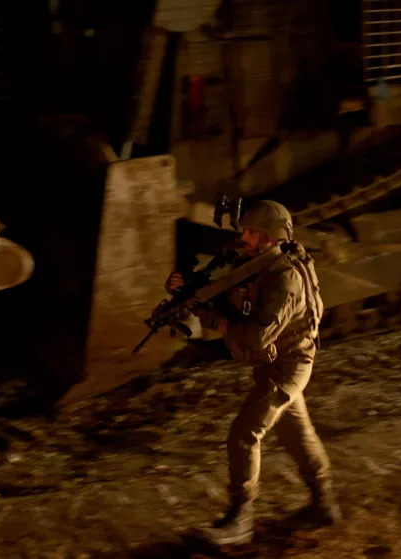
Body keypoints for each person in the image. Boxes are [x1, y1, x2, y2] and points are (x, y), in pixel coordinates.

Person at [166, 200, 341, 546]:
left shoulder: (286, 276)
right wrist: (188, 289)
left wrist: (216, 319)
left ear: (269, 237)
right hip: (273, 363)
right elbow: (228, 288)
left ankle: (240, 518)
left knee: (244, 433)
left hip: (290, 365)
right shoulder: (260, 261)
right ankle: (324, 504)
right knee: (297, 434)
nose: (243, 237)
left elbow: (257, 334)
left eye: (251, 232)